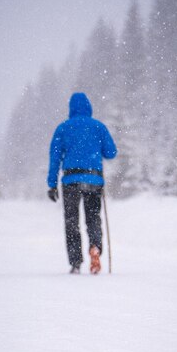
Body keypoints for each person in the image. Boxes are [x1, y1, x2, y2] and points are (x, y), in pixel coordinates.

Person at [47, 92, 117, 274]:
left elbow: (54, 158)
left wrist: (52, 184)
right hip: (94, 180)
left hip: (70, 180)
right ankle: (95, 247)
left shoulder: (63, 128)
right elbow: (111, 152)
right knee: (93, 218)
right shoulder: (98, 127)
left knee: (72, 221)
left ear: (71, 108)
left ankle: (76, 262)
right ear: (89, 107)